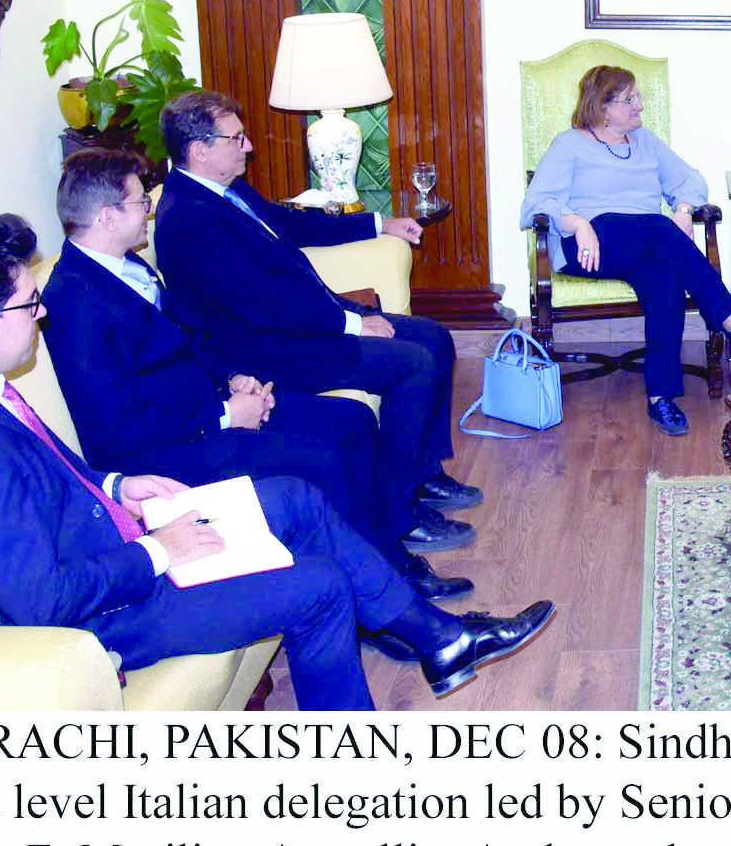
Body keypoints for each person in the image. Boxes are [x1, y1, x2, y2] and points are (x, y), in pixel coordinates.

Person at [0, 215, 553, 707]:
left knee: (295, 498)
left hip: (120, 533)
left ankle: (440, 639)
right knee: (320, 584)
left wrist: (118, 483)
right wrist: (162, 549)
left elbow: (46, 484)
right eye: (26, 305)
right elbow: (43, 601)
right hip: (111, 612)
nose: (41, 315)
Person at [40, 148, 470, 602]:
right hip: (166, 451)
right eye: (138, 202)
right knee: (322, 457)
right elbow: (115, 424)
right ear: (107, 216)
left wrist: (233, 379)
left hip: (203, 408)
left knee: (353, 421)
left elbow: (186, 340)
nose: (148, 210)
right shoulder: (73, 300)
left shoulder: (126, 265)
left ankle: (386, 556)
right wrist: (224, 414)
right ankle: (377, 599)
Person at [151, 91, 479, 548]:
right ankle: (401, 516)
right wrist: (348, 323)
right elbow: (259, 303)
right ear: (200, 150)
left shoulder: (225, 191)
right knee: (412, 364)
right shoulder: (187, 220)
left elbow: (293, 224)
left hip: (300, 324)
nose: (248, 147)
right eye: (237, 138)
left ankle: (422, 474)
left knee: (434, 338)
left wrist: (378, 223)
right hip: (266, 351)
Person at [517, 66, 731, 437]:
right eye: (629, 100)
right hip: (589, 245)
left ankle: (661, 397)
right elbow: (536, 203)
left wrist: (685, 208)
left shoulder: (646, 142)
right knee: (658, 226)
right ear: (602, 107)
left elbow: (690, 179)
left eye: (637, 96)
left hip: (644, 244)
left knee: (665, 280)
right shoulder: (569, 144)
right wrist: (578, 223)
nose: (640, 105)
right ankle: (730, 318)